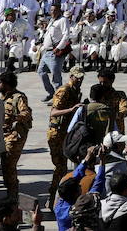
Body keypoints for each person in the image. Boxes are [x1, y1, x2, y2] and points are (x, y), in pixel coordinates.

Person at [47, 68, 86, 204]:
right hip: (57, 133)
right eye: (77, 77)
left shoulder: (76, 90)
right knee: (60, 167)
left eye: (82, 77)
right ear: (71, 76)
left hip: (66, 134)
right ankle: (52, 199)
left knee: (64, 168)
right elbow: (53, 112)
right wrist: (71, 110)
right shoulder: (64, 90)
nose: (80, 80)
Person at [0, 72, 31, 201]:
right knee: (5, 166)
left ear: (7, 84)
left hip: (14, 136)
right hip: (2, 135)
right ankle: (10, 193)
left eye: (0, 83)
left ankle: (13, 195)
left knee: (9, 165)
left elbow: (26, 112)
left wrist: (14, 118)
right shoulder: (2, 98)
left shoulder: (19, 97)